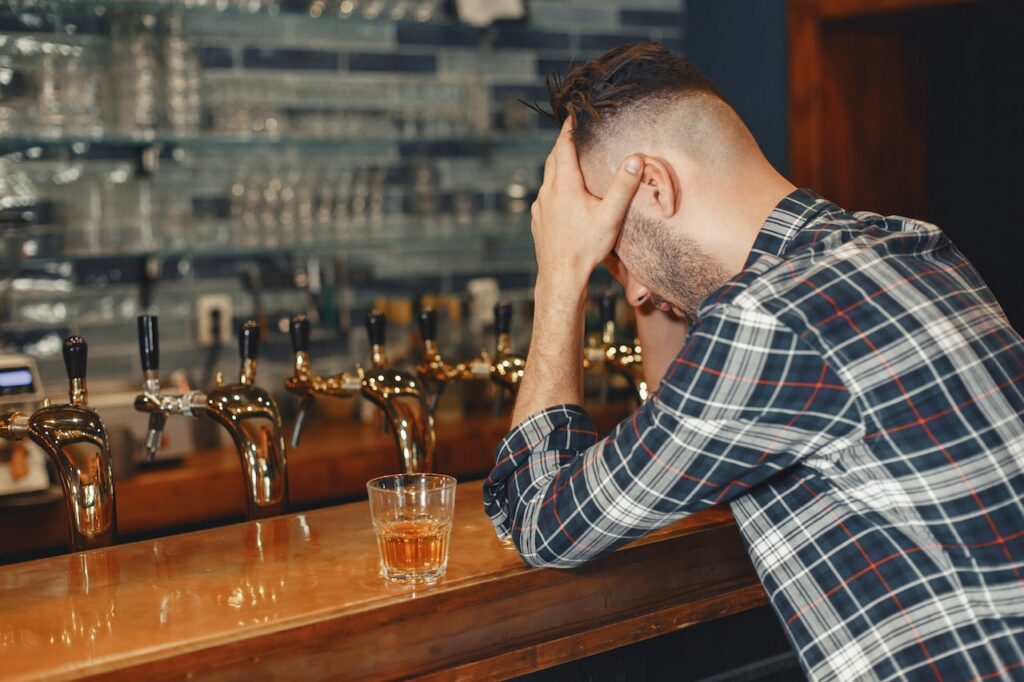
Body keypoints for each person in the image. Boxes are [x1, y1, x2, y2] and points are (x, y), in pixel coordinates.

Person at [483, 43, 1024, 680]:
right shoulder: (911, 244)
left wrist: (561, 275)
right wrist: (644, 274)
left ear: (653, 184)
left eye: (613, 248)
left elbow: (544, 520)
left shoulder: (769, 316)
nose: (631, 290)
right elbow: (684, 441)